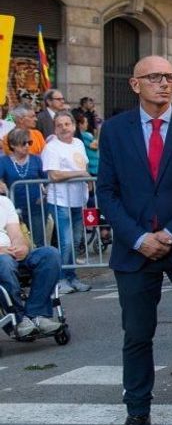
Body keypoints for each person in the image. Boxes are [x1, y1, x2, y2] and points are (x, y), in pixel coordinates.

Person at [97, 56, 172, 425]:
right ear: (134, 84)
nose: (164, 83)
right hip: (135, 248)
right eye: (155, 77)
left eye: (170, 77)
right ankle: (137, 413)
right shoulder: (114, 130)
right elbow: (106, 193)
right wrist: (139, 237)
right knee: (137, 335)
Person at [41, 112, 91, 294]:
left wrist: (87, 180)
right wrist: (79, 175)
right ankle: (61, 279)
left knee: (76, 241)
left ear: (73, 126)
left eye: (67, 124)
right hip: (60, 201)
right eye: (60, 125)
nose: (64, 128)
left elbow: (83, 166)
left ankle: (72, 277)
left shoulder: (78, 143)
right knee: (66, 242)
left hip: (78, 199)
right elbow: (54, 175)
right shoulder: (51, 148)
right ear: (55, 128)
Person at [0, 193, 62, 338]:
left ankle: (36, 314)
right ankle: (19, 320)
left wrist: (21, 246)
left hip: (11, 253)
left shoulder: (4, 202)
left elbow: (16, 233)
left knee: (50, 254)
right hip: (3, 260)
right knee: (4, 262)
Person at [0, 127, 47, 247]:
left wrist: (44, 195)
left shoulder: (36, 160)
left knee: (38, 241)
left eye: (29, 143)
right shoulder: (4, 161)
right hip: (13, 207)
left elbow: (47, 180)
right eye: (23, 143)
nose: (27, 146)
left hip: (36, 206)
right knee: (17, 241)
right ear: (13, 145)